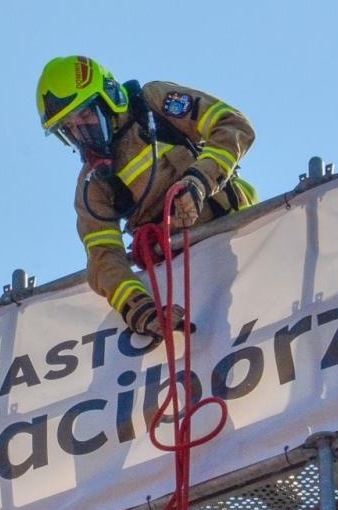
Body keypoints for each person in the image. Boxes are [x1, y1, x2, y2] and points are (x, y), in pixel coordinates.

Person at [35, 55, 257, 337]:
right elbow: (103, 259)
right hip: (184, 276)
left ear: (108, 97)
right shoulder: (92, 186)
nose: (82, 132)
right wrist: (141, 309)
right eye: (69, 128)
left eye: (86, 116)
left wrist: (199, 181)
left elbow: (233, 126)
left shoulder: (153, 104)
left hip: (242, 238)